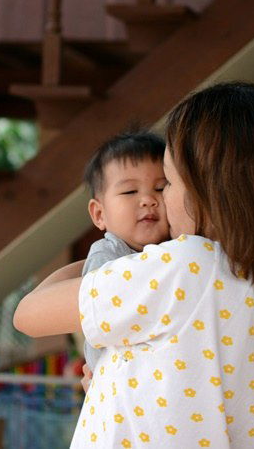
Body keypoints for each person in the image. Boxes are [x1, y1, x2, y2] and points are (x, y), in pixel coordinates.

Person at [14, 82, 254, 448]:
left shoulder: (189, 266)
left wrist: (105, 256)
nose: (157, 200)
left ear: (210, 193)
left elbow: (28, 314)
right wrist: (113, 381)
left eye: (166, 182)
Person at [78, 130, 170, 378]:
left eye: (161, 188)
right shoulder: (107, 257)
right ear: (99, 214)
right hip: (119, 381)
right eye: (130, 191)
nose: (148, 199)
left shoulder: (177, 250)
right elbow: (99, 324)